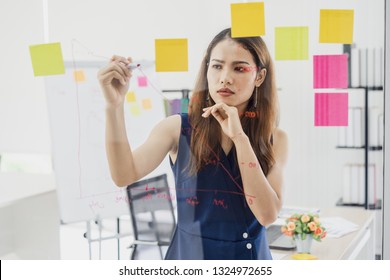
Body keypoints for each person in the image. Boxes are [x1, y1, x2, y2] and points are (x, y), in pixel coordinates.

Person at [97, 27, 288, 260]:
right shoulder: (176, 128)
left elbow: (267, 215)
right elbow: (123, 174)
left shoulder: (275, 139)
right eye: (217, 66)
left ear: (259, 76)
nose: (225, 77)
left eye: (239, 68)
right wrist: (114, 106)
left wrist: (240, 139)